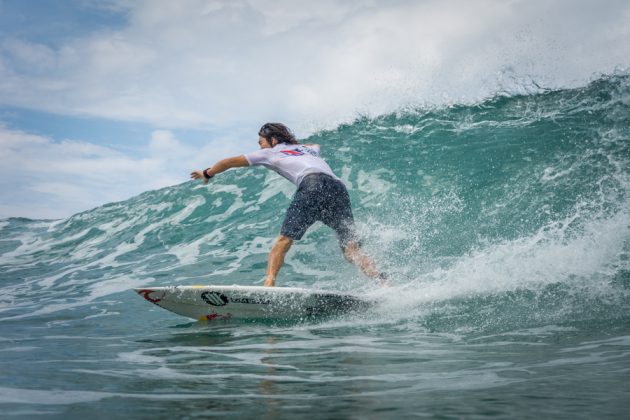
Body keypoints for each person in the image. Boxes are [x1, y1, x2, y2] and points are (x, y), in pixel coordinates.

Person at [191, 122, 386, 287]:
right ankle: (384, 282)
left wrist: (207, 174)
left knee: (283, 241)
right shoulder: (310, 149)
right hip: (338, 189)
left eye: (261, 142)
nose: (260, 148)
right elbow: (315, 144)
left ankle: (268, 285)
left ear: (273, 140)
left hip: (312, 185)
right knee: (351, 251)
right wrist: (294, 146)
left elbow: (228, 162)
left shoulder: (269, 153)